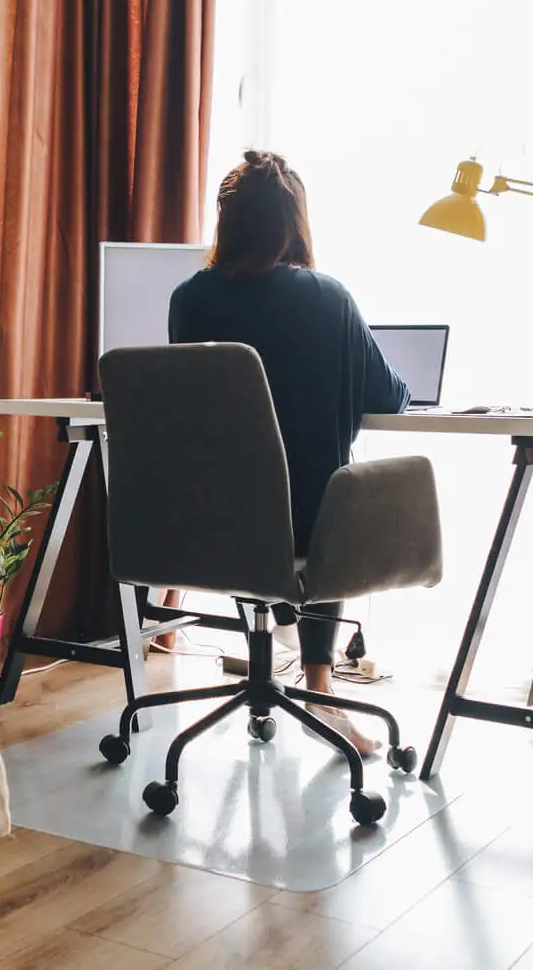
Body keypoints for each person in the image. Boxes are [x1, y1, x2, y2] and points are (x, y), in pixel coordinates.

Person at [168, 149, 409, 756]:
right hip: (305, 530)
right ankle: (321, 692)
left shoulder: (188, 300)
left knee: (297, 488)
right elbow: (391, 396)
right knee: (335, 490)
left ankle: (280, 648)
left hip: (204, 527)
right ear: (294, 223)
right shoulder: (328, 298)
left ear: (227, 223)